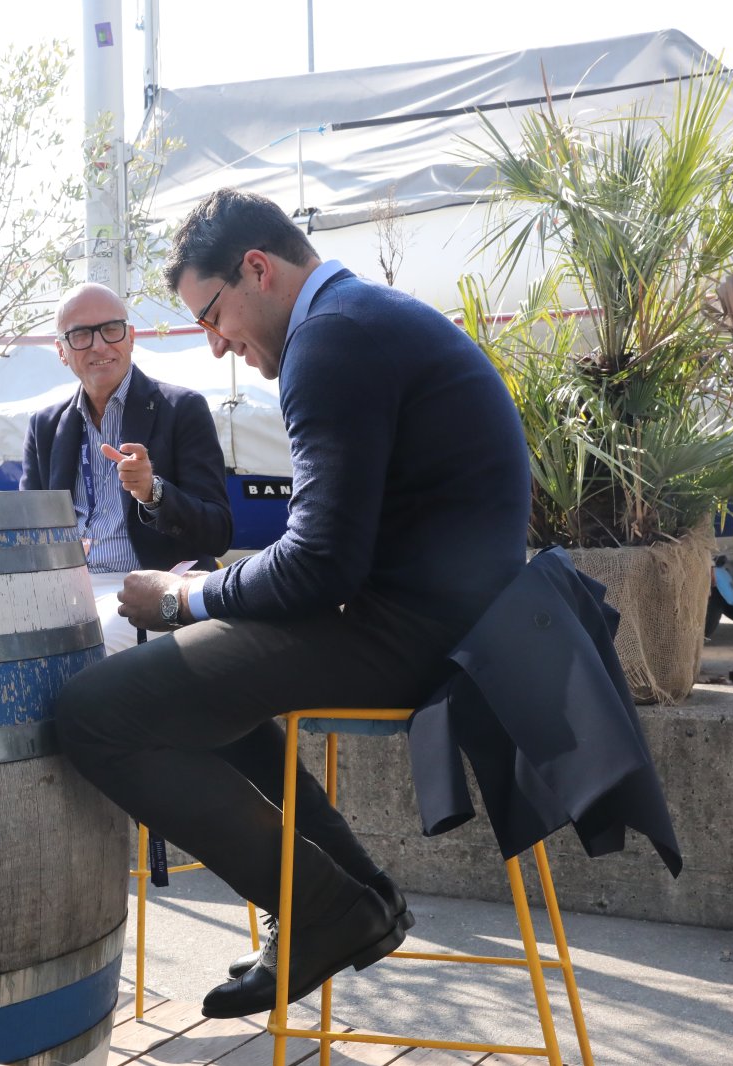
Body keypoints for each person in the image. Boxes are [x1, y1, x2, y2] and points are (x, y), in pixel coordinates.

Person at [53, 189, 533, 1018]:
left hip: (419, 636)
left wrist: (184, 596)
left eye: (213, 314)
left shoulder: (330, 342)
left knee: (91, 714)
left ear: (258, 269)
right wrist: (206, 605)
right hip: (456, 623)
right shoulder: (357, 319)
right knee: (201, 688)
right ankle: (355, 895)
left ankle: (323, 907)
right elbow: (329, 554)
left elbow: (318, 568)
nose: (216, 343)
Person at [21, 281, 232, 653]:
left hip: (149, 585)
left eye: (111, 329)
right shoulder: (46, 425)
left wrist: (154, 493)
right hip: (65, 588)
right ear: (61, 351)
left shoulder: (181, 409)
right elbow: (28, 529)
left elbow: (218, 534)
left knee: (89, 646)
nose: (100, 345)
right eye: (81, 335)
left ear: (131, 337)